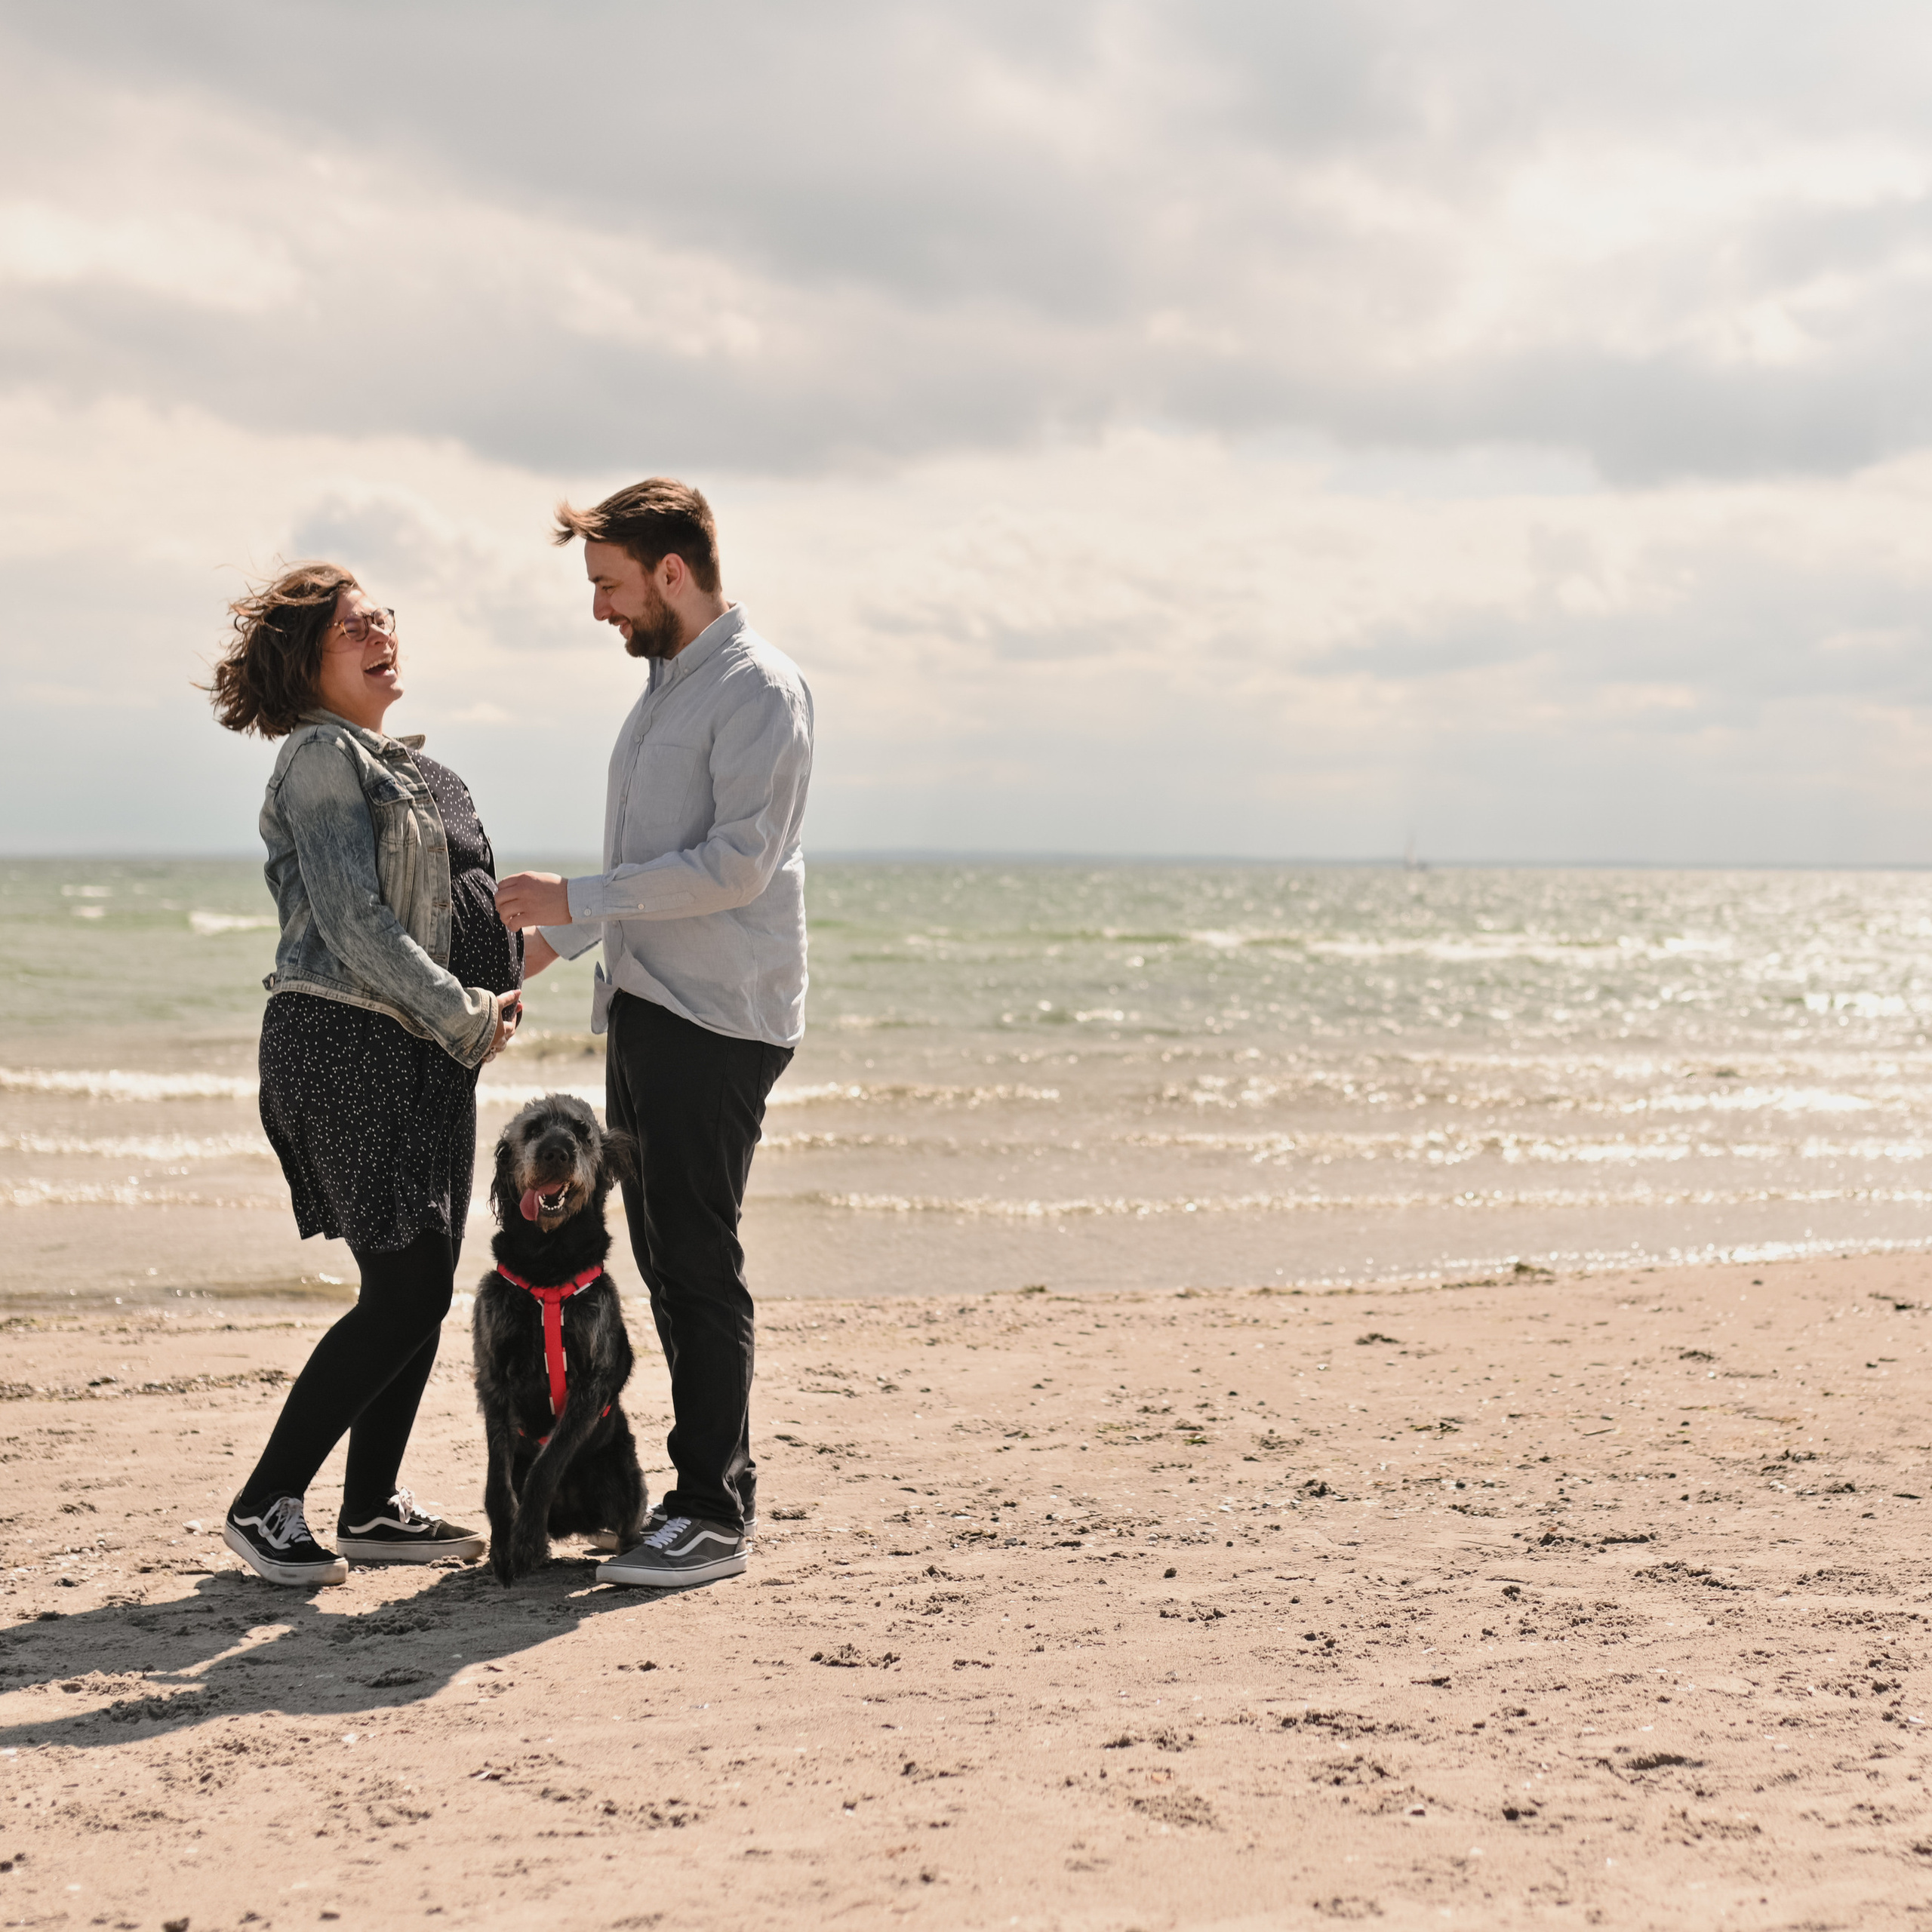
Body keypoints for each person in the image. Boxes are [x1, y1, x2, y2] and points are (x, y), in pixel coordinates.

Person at [496, 477, 812, 1589]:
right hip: (647, 1004)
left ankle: (711, 1513)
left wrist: (572, 897)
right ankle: (708, 1488)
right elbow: (639, 883)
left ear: (672, 571)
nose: (601, 611)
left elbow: (736, 867)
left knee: (696, 1256)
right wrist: (524, 965)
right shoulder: (667, 691)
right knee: (666, 1260)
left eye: (610, 586)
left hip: (717, 1014)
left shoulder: (760, 691)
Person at [207, 561, 521, 1586]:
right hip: (349, 1043)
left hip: (428, 1054)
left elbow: (464, 911)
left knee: (418, 1287)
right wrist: (467, 1013)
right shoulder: (318, 757)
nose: (382, 631)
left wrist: (506, 988)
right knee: (405, 1284)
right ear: (307, 657)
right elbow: (353, 923)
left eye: (386, 615)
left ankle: (372, 1508)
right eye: (354, 625)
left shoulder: (414, 768)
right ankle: (265, 1502)